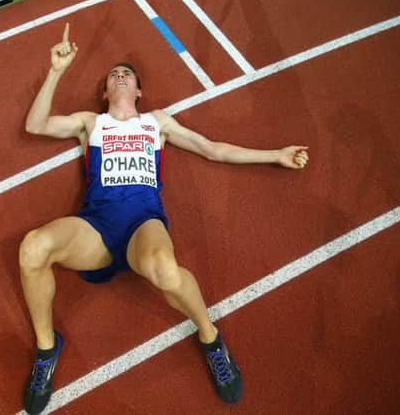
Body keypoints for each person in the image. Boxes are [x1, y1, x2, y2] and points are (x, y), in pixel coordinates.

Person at [19, 23, 309, 414]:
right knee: (32, 248)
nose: (120, 76)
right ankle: (46, 350)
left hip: (143, 225)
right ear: (105, 94)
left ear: (138, 91)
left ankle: (210, 338)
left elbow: (213, 150)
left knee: (165, 271)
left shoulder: (158, 123)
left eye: (127, 75)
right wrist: (56, 70)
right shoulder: (91, 122)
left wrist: (273, 154)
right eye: (113, 76)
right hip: (95, 228)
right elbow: (35, 126)